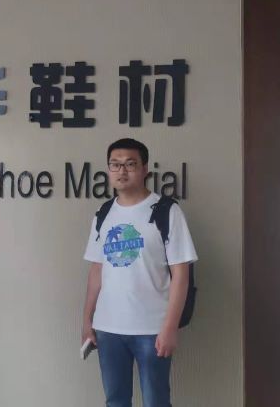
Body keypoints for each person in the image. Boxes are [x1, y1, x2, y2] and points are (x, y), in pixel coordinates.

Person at [82, 138, 198, 407]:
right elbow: (97, 269)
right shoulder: (103, 213)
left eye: (130, 164)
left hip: (152, 329)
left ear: (145, 169)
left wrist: (170, 327)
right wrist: (87, 320)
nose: (121, 171)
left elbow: (181, 274)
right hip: (108, 328)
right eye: (115, 164)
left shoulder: (166, 210)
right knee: (115, 400)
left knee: (156, 401)